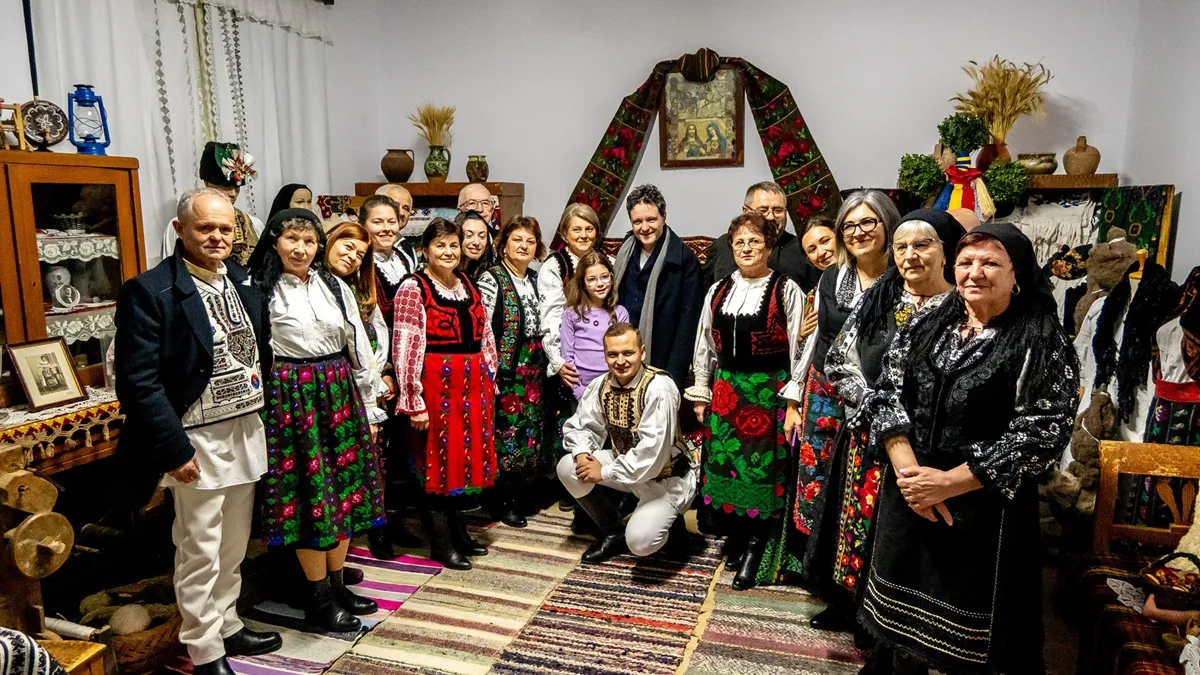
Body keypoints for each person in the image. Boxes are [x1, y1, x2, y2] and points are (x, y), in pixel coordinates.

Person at [857, 222, 1078, 674]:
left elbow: (1043, 429)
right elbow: (885, 392)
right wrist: (910, 474)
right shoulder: (928, 322)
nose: (974, 273)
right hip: (910, 489)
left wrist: (949, 483)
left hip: (983, 506)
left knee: (968, 640)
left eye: (990, 263)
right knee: (899, 624)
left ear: (1017, 274)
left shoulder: (1039, 339)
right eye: (965, 262)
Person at [115, 187, 280, 675]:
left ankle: (227, 624)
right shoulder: (151, 290)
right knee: (199, 549)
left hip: (244, 430)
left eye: (225, 228)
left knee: (234, 544)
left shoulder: (243, 281)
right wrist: (173, 449)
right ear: (180, 229)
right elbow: (138, 382)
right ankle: (204, 648)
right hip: (195, 440)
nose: (216, 237)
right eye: (205, 227)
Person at [801, 209, 963, 641]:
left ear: (946, 252)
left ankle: (886, 622)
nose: (910, 256)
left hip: (927, 445)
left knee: (900, 536)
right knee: (855, 521)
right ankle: (847, 605)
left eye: (922, 245)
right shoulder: (880, 298)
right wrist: (875, 406)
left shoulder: (962, 309)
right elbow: (839, 361)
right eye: (902, 247)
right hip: (868, 435)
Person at [251, 208, 384, 634]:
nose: (301, 249)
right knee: (310, 498)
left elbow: (357, 344)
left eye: (309, 241)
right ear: (275, 242)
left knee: (343, 490)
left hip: (338, 389)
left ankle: (338, 586)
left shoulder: (335, 286)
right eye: (292, 239)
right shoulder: (260, 290)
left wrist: (369, 404)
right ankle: (318, 598)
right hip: (292, 398)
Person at [686, 213, 805, 590]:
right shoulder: (718, 290)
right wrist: (702, 388)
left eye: (754, 241)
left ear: (769, 247)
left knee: (761, 470)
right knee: (727, 466)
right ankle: (737, 537)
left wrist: (794, 398)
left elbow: (801, 346)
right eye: (739, 242)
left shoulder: (786, 289)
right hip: (727, 392)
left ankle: (756, 547)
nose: (746, 248)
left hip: (768, 392)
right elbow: (705, 342)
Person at [391, 218, 498, 570]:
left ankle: (458, 532)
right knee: (436, 464)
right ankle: (440, 543)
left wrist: (490, 377)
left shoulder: (467, 283)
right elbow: (406, 346)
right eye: (440, 246)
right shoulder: (414, 288)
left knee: (460, 464)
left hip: (472, 387)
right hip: (437, 387)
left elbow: (485, 336)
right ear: (425, 250)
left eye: (454, 245)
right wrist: (414, 400)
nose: (449, 252)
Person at [559, 323, 699, 563]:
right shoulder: (602, 384)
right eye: (613, 354)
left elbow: (653, 455)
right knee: (568, 467)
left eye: (628, 353)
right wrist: (582, 454)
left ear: (642, 353)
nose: (620, 361)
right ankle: (612, 531)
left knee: (640, 542)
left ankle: (674, 529)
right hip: (626, 466)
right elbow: (581, 426)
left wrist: (604, 472)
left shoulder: (659, 389)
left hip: (666, 478)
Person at [476, 217, 550, 528]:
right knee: (506, 434)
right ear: (504, 244)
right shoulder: (492, 279)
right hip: (506, 372)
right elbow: (482, 330)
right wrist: (489, 372)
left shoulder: (536, 279)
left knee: (530, 434)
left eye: (530, 241)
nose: (524, 246)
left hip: (534, 369)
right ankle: (501, 501)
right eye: (517, 240)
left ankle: (522, 493)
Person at [612, 184, 703, 389]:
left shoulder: (684, 260)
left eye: (651, 220)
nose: (644, 228)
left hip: (662, 360)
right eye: (637, 221)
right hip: (622, 356)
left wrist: (672, 378)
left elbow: (688, 325)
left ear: (664, 216)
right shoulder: (626, 250)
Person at [703, 182, 820, 292]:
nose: (771, 217)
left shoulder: (801, 249)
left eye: (777, 210)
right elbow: (704, 292)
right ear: (745, 211)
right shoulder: (722, 245)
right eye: (763, 210)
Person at [161, 141, 262, 266]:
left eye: (236, 187)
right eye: (225, 186)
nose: (232, 193)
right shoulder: (183, 225)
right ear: (207, 183)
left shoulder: (254, 224)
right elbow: (171, 267)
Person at [561, 251, 630, 399]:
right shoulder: (571, 314)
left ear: (612, 277)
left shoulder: (620, 313)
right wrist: (580, 393)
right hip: (581, 391)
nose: (599, 284)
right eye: (592, 279)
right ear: (583, 283)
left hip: (613, 390)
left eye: (604, 277)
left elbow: (623, 354)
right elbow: (567, 358)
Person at [457, 210, 495, 279]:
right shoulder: (448, 272)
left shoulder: (484, 272)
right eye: (469, 235)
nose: (476, 242)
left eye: (482, 236)